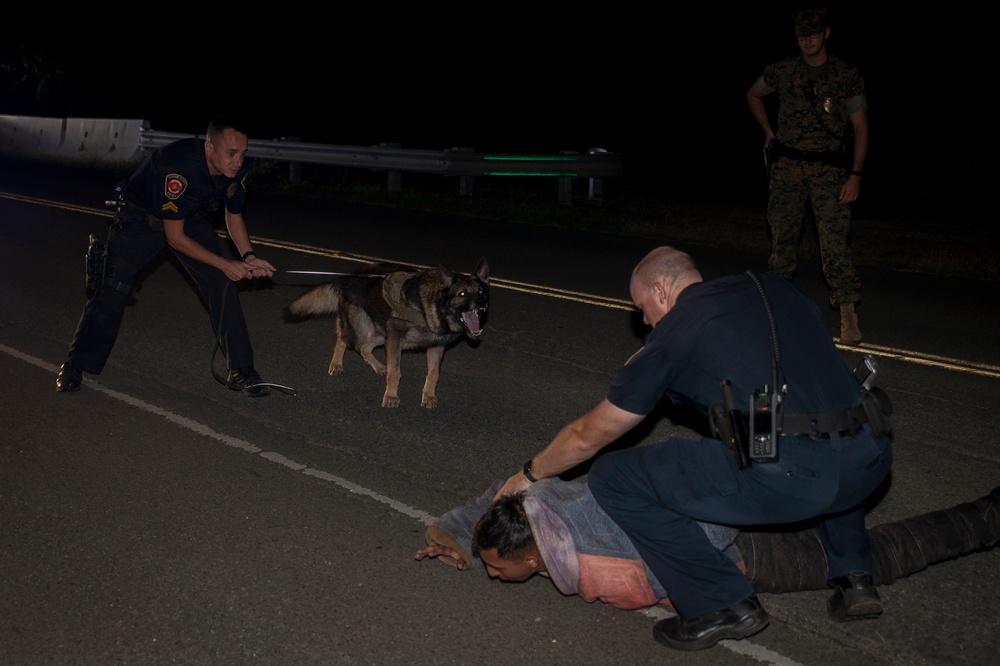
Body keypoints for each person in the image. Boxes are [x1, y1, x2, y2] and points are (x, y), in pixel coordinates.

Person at [492, 246, 893, 651]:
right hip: (872, 458)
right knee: (818, 422)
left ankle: (721, 603)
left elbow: (586, 436)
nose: (644, 321)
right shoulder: (773, 288)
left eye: (643, 308)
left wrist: (529, 473)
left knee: (615, 476)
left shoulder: (676, 332)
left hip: (796, 481)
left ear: (662, 291)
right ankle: (855, 577)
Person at [416, 478, 1000, 614]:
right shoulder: (540, 501)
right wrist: (448, 535)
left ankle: (988, 517)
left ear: (533, 556)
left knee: (877, 556)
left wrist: (705, 590)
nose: (492, 575)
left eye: (497, 568)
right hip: (719, 492)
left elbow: (702, 542)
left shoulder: (602, 556)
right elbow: (485, 509)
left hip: (742, 545)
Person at [55, 116, 276, 396]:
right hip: (142, 221)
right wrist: (226, 263)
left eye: (243, 153)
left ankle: (241, 370)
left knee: (221, 281)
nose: (238, 161)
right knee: (112, 288)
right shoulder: (179, 168)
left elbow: (233, 216)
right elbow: (175, 238)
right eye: (231, 153)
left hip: (189, 220)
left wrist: (248, 256)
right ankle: (76, 363)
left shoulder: (238, 172)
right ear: (209, 148)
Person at [746, 7, 869, 344]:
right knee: (782, 243)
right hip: (787, 170)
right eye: (802, 34)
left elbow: (861, 128)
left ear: (826, 33)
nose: (807, 40)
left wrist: (855, 174)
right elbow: (753, 94)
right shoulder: (784, 70)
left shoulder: (846, 75)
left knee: (834, 244)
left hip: (830, 171)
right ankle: (775, 313)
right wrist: (769, 133)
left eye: (814, 33)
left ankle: (847, 316)